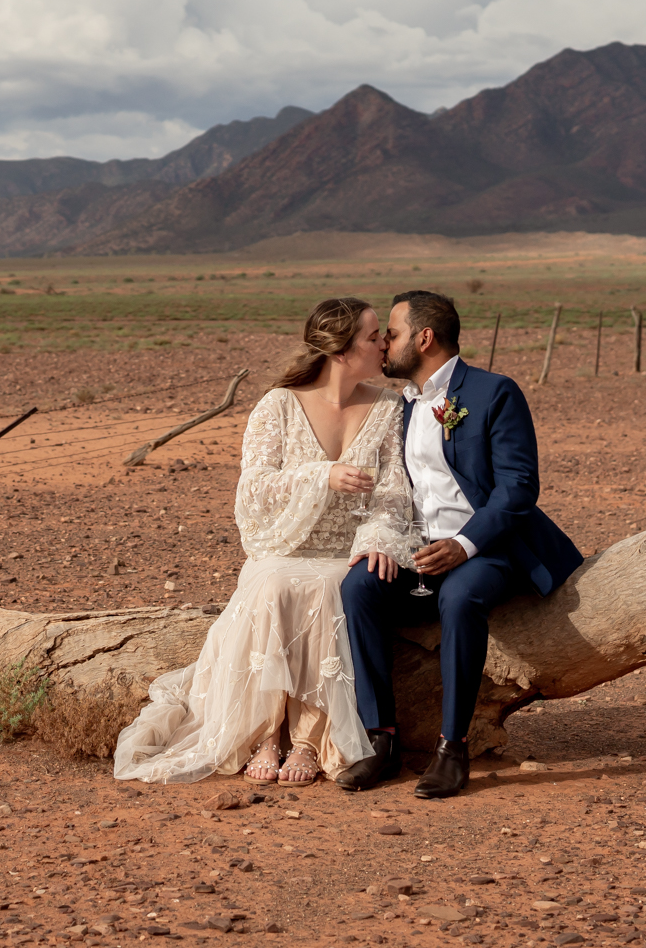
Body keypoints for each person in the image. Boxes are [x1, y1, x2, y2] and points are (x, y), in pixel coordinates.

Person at [112, 297, 421, 787]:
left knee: (334, 587)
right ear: (340, 351)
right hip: (284, 548)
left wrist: (380, 538)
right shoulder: (277, 406)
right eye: (372, 335)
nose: (384, 341)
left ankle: (307, 738)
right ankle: (267, 733)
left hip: (346, 550)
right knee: (274, 584)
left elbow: (395, 495)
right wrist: (323, 475)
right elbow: (253, 487)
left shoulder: (388, 408)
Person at [336, 290, 583, 799]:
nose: (385, 344)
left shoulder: (494, 392)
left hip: (489, 547)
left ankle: (453, 747)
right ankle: (380, 740)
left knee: (459, 596)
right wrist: (384, 540)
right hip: (416, 546)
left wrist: (464, 546)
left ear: (425, 338)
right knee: (359, 586)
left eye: (395, 334)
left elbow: (518, 488)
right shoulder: (397, 407)